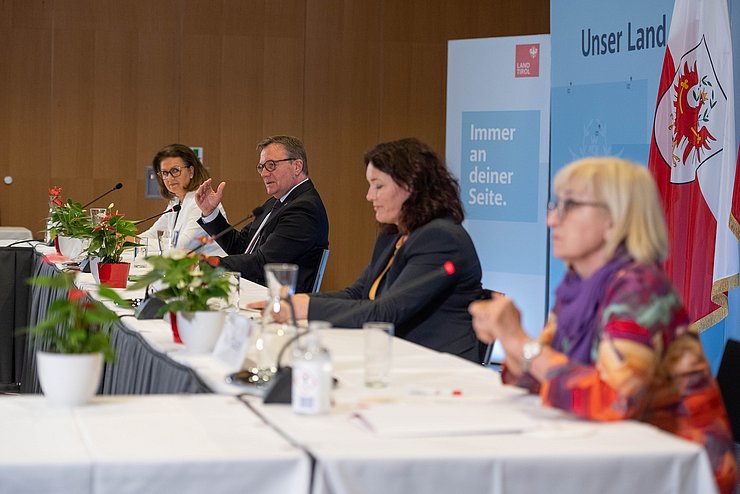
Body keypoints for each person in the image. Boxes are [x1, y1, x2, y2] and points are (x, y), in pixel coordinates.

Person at [469, 157, 737, 493]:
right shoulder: (577, 285)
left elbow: (614, 401)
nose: (552, 219)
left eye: (569, 206)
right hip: (610, 455)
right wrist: (509, 341)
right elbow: (539, 379)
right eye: (555, 205)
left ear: (614, 219)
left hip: (676, 470)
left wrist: (521, 343)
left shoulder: (640, 291)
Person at [274, 138, 483, 361]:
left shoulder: (441, 239)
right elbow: (357, 295)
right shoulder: (393, 235)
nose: (369, 196)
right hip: (398, 358)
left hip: (440, 369)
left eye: (378, 186)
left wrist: (307, 308)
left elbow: (385, 313)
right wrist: (299, 301)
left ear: (410, 186)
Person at [195, 135, 329, 293]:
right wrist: (210, 212)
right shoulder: (276, 202)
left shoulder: (304, 209)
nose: (264, 173)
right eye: (261, 167)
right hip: (254, 291)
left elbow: (264, 262)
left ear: (297, 166)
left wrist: (211, 263)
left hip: (278, 303)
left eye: (271, 165)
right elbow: (241, 246)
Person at [139, 144, 226, 256]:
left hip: (212, 270)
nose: (169, 178)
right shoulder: (176, 201)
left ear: (191, 171)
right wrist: (128, 240)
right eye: (165, 173)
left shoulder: (201, 202)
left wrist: (136, 241)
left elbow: (180, 247)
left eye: (175, 171)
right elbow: (154, 233)